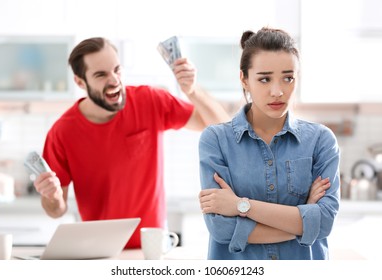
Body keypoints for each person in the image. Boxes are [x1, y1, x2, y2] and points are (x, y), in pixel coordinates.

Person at [33, 37, 230, 248]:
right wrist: (52, 196)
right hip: (100, 251)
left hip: (151, 249)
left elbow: (221, 128)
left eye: (117, 69)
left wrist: (192, 91)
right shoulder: (62, 132)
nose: (114, 80)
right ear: (80, 82)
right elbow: (55, 210)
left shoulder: (149, 101)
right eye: (101, 74)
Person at [198, 27, 340, 260]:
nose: (277, 91)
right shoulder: (216, 140)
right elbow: (222, 229)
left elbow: (323, 224)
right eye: (264, 79)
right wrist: (302, 219)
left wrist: (240, 206)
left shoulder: (320, 140)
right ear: (244, 79)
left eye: (288, 78)